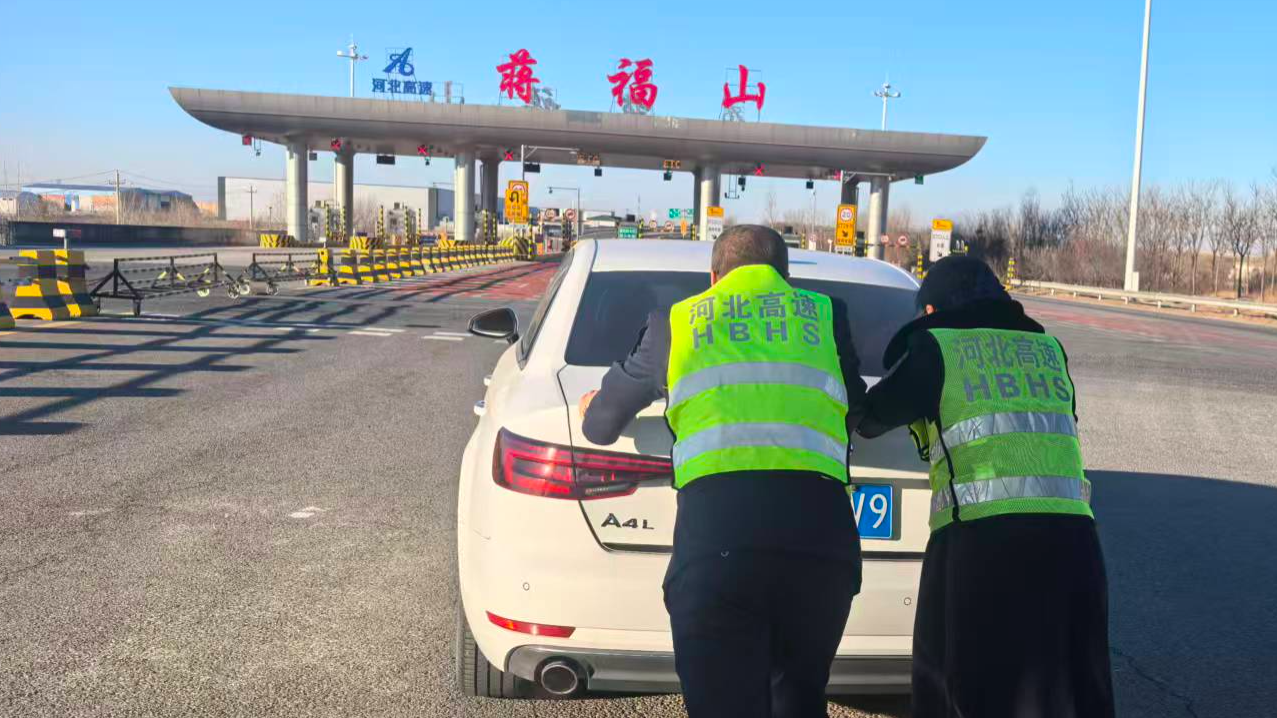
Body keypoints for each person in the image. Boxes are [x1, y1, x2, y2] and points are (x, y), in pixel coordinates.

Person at [579, 225, 867, 718]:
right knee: (799, 703)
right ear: (786, 278)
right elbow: (855, 409)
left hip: (717, 548)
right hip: (821, 548)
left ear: (714, 277)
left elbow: (601, 427)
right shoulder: (825, 315)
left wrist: (593, 404)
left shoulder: (676, 323)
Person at [856, 255, 1115, 718]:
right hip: (1074, 546)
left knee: (966, 686)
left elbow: (871, 419)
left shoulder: (937, 348)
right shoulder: (1048, 350)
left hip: (982, 542)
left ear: (931, 311)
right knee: (1064, 690)